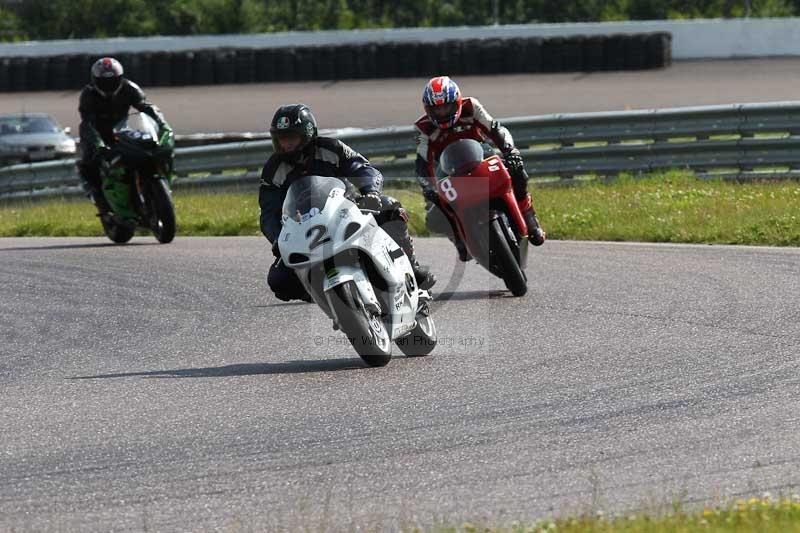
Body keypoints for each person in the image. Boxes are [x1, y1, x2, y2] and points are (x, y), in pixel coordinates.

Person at [259, 103, 436, 302]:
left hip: (346, 213)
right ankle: (325, 296)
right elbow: (268, 212)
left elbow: (364, 169)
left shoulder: (331, 148)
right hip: (305, 231)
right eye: (282, 139)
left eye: (291, 138)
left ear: (306, 134)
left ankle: (412, 269)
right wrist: (277, 238)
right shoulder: (273, 170)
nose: (286, 144)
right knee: (279, 281)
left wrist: (371, 193)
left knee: (390, 208)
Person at [414, 76, 546, 261]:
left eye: (446, 106)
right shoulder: (424, 128)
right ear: (428, 109)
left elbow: (495, 128)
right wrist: (429, 187)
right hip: (448, 170)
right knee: (434, 215)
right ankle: (459, 239)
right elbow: (422, 162)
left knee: (517, 171)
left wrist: (510, 151)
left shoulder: (471, 106)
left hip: (481, 155)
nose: (442, 112)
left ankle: (530, 220)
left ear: (457, 102)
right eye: (437, 108)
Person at [78, 57, 173, 215]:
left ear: (120, 78)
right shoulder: (88, 94)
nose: (108, 85)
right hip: (96, 133)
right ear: (95, 80)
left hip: (120, 129)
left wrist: (162, 124)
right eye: (103, 81)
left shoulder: (129, 88)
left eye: (112, 81)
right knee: (90, 163)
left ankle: (147, 189)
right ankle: (99, 199)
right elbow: (87, 123)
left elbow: (146, 107)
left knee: (146, 151)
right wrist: (99, 145)